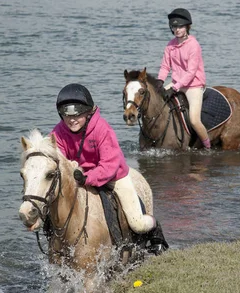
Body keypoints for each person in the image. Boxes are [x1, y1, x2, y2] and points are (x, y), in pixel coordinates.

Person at [51, 83, 159, 237]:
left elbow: (109, 165)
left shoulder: (102, 129)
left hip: (113, 177)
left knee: (138, 223)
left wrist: (86, 178)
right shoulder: (59, 132)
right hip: (79, 178)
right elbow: (55, 157)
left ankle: (155, 231)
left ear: (88, 112)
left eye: (77, 114)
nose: (72, 120)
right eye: (66, 115)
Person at [157, 8, 211, 149]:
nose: (177, 29)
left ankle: (207, 146)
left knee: (194, 120)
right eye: (174, 27)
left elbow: (191, 72)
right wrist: (160, 81)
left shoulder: (194, 45)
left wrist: (175, 88)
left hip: (193, 85)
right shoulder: (170, 45)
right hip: (176, 82)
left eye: (180, 26)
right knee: (156, 103)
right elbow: (164, 67)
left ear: (187, 27)